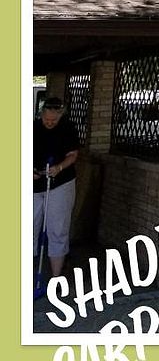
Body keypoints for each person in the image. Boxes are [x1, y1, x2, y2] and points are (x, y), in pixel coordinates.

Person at [33, 96, 79, 277]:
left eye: (54, 120)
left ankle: (56, 276)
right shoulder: (32, 127)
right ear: (41, 115)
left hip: (60, 182)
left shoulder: (68, 128)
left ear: (61, 117)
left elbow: (72, 154)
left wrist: (59, 167)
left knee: (57, 228)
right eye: (46, 119)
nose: (50, 123)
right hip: (33, 183)